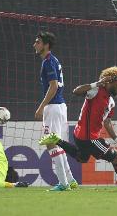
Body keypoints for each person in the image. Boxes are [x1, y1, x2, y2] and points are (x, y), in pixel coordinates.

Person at [40, 66, 117, 193]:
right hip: (89, 138)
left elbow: (107, 122)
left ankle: (57, 140)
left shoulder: (111, 102)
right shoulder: (96, 90)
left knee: (81, 158)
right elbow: (76, 91)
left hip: (80, 135)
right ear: (109, 82)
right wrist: (96, 83)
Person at [33, 31, 77, 191]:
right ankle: (70, 180)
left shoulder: (48, 62)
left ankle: (63, 184)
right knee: (56, 143)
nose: (34, 45)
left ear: (46, 45)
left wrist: (41, 106)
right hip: (58, 106)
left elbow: (53, 85)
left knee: (50, 143)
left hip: (53, 106)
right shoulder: (51, 60)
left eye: (37, 42)